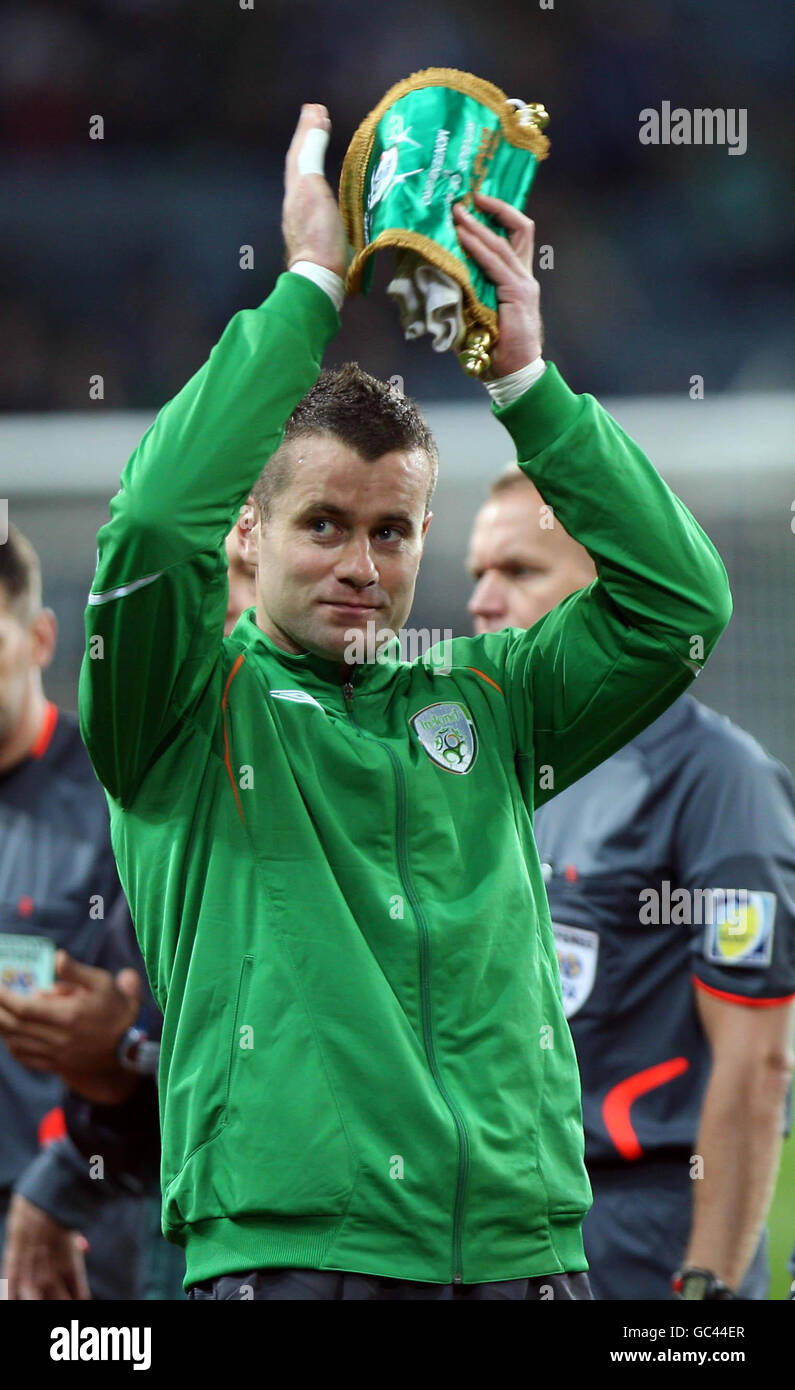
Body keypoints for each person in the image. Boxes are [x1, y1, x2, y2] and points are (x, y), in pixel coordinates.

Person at [78, 103, 731, 1301]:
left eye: (391, 530)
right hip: (296, 1260)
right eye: (321, 524)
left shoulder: (488, 700)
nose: (360, 565)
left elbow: (680, 601)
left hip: (528, 1258)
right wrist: (312, 286)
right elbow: (151, 522)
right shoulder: (178, 713)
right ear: (252, 530)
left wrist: (527, 379)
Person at [467, 464, 795, 1300]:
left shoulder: (718, 781)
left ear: (612, 595)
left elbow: (756, 1063)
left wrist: (709, 1282)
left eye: (519, 571)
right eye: (477, 575)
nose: (481, 601)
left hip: (642, 1227)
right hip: (498, 1227)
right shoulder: (494, 775)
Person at [1, 527, 256, 1300]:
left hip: (96, 1217)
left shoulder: (127, 800)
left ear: (43, 639)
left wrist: (119, 1055)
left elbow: (158, 1022)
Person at [0, 525, 149, 1298]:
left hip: (75, 1213)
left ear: (40, 637)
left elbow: (144, 1029)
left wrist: (65, 1176)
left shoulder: (120, 802)